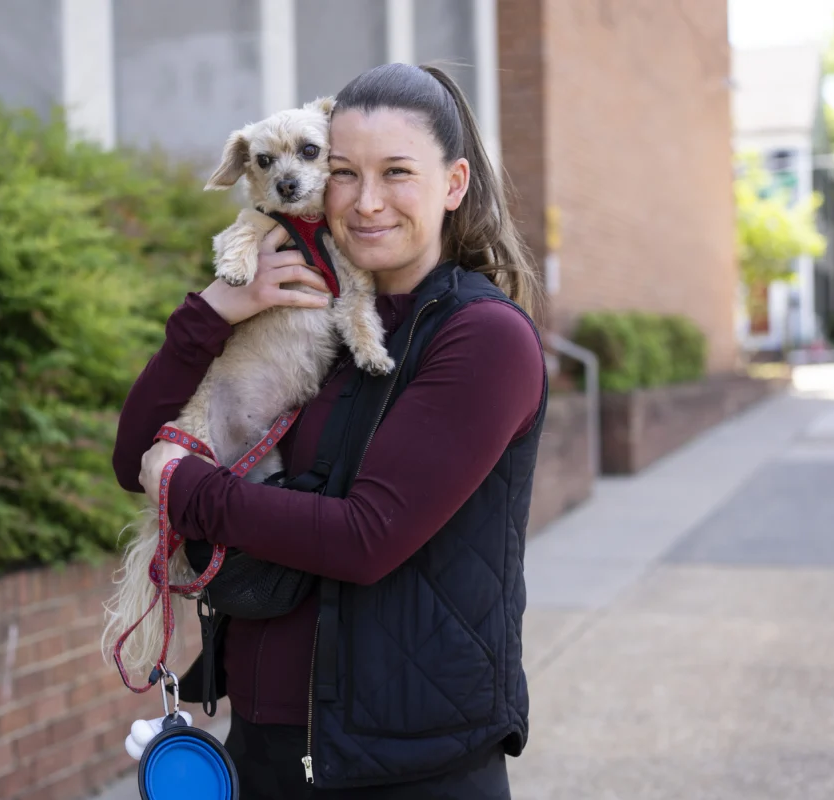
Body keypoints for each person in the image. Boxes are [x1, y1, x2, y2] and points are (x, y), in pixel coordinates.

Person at [113, 62, 546, 800]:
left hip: (407, 762)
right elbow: (134, 460)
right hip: (268, 743)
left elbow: (363, 537)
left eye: (398, 172)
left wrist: (190, 489)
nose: (367, 201)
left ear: (453, 182)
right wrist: (215, 311)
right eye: (345, 172)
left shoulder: (482, 340)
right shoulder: (309, 312)